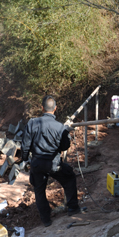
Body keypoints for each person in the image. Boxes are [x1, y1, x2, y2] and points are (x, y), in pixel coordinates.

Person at [20, 95, 81, 227]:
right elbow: (65, 146)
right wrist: (66, 135)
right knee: (69, 177)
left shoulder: (32, 123)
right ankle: (73, 208)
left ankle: (46, 220)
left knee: (39, 190)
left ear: (42, 108)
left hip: (37, 164)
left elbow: (25, 145)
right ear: (55, 109)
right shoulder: (60, 127)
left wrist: (24, 159)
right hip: (53, 164)